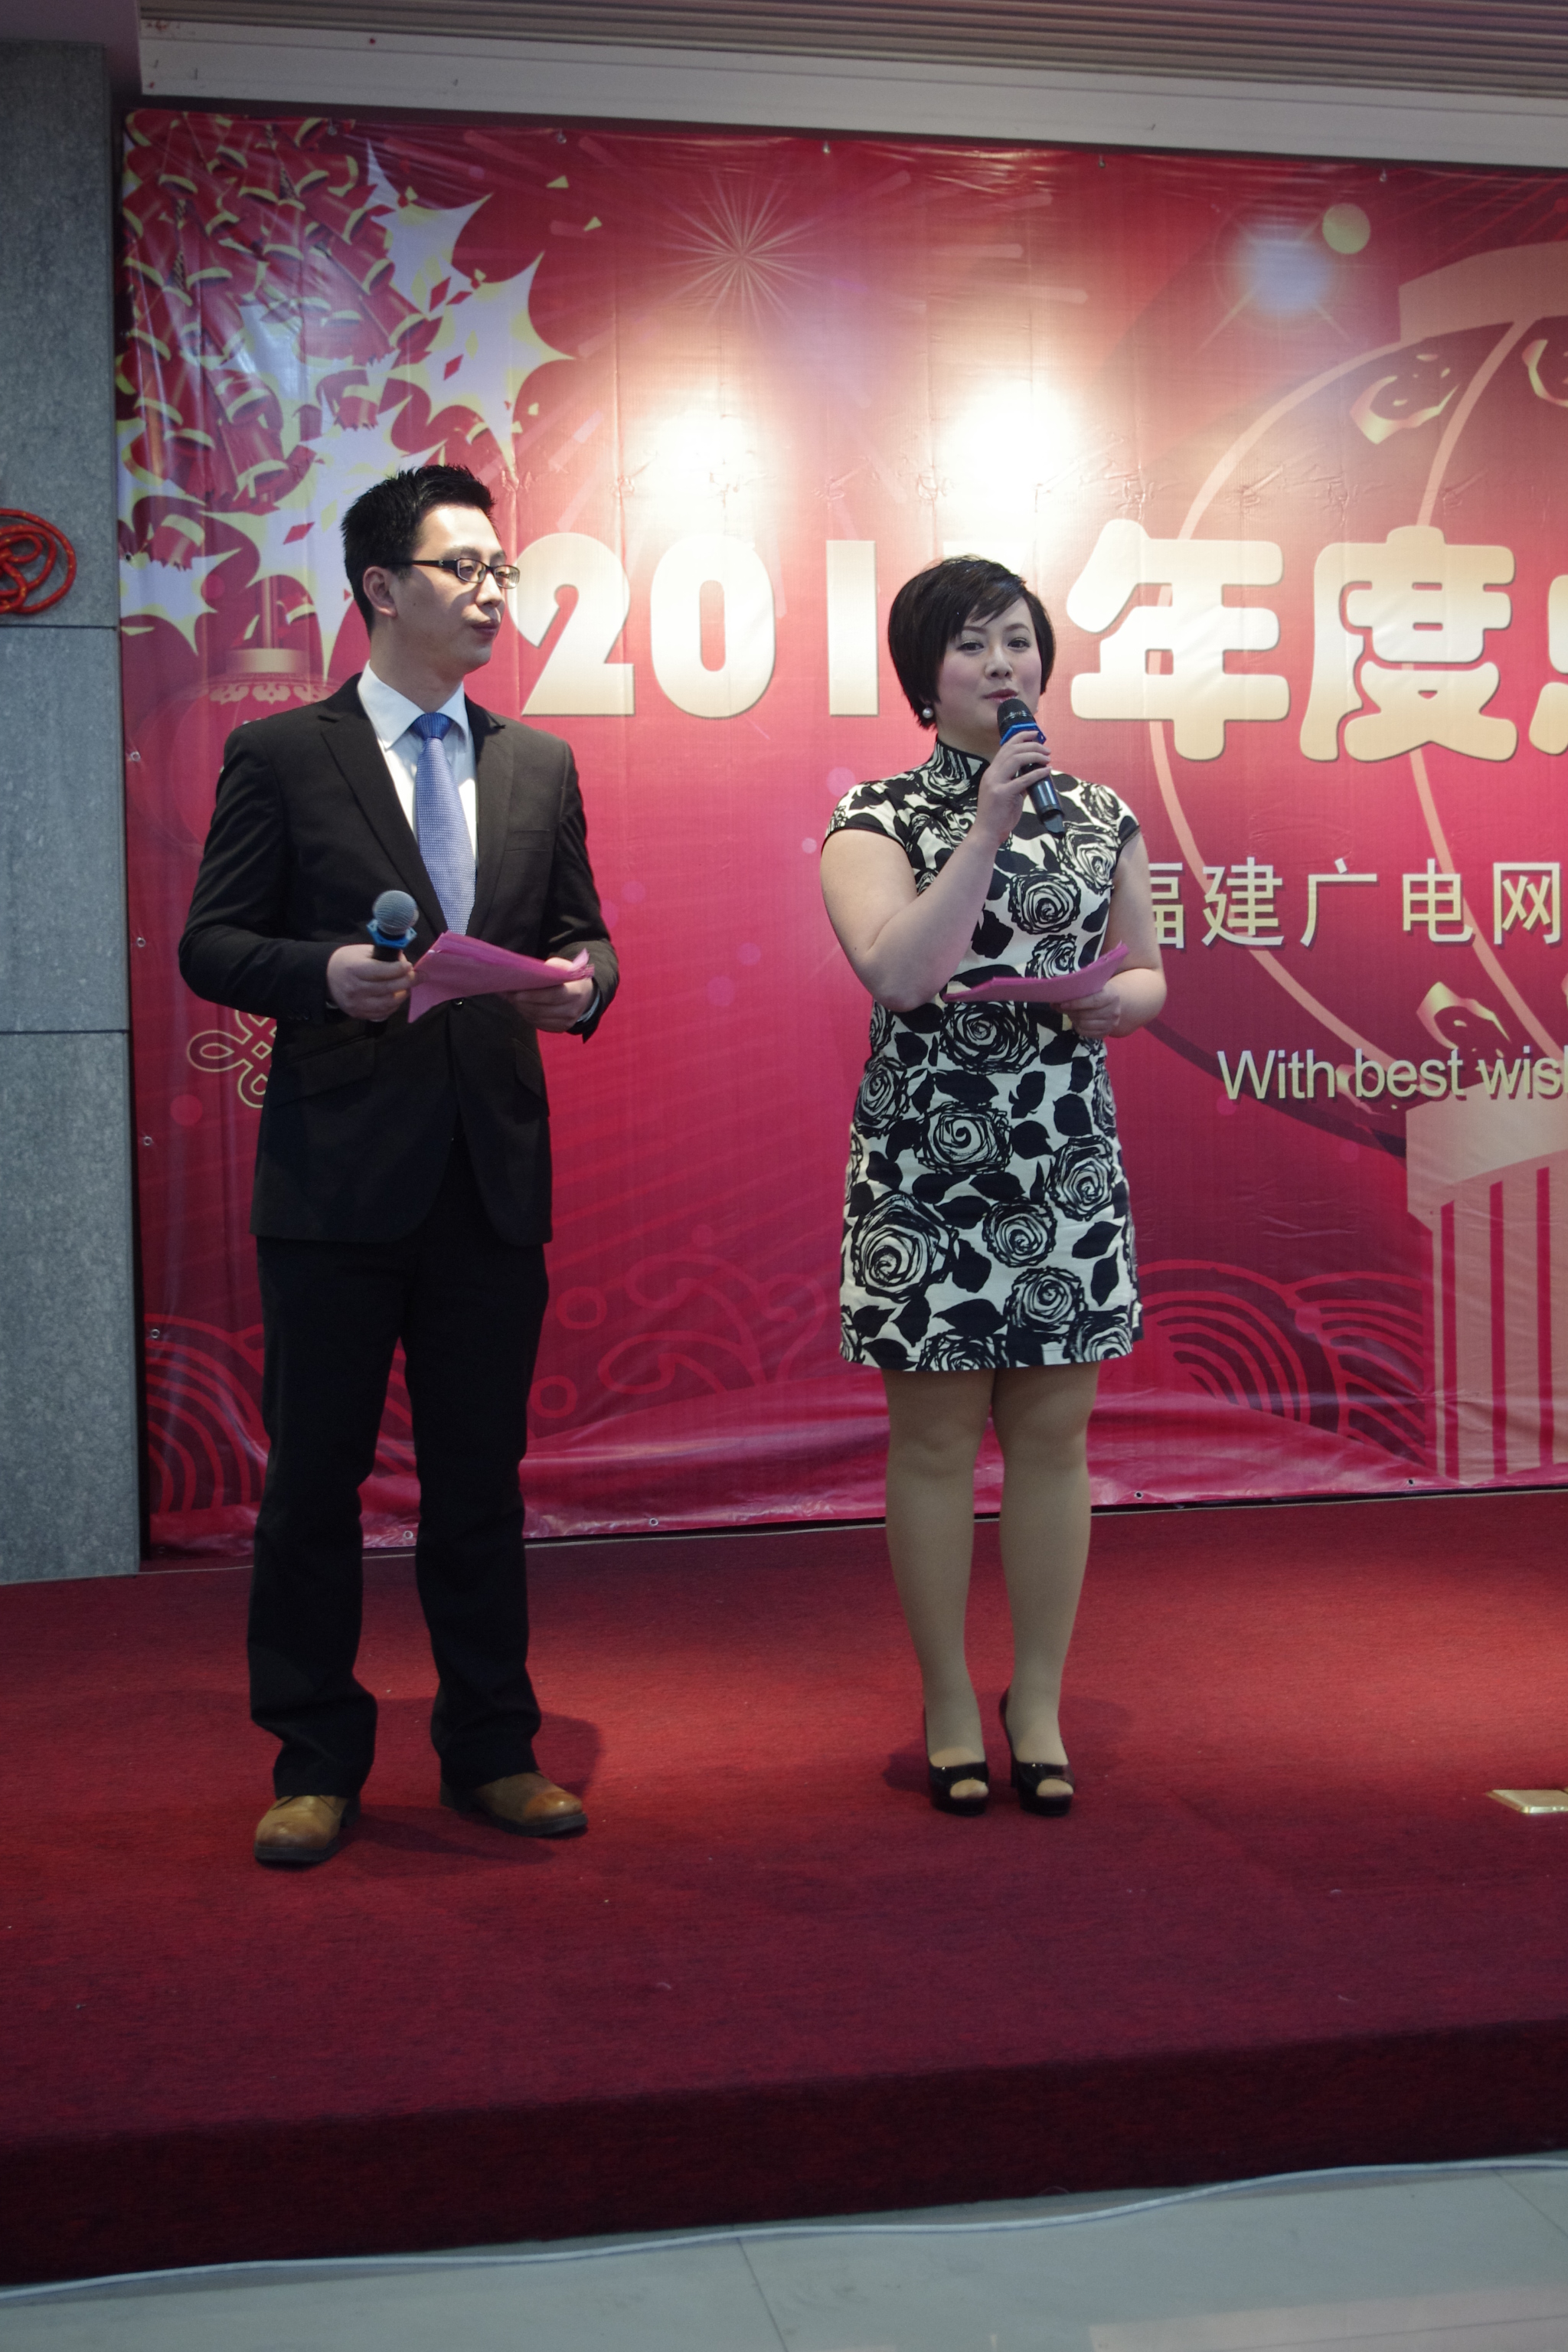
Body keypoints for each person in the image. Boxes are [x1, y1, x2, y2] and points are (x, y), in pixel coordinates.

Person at [181, 462, 618, 1867]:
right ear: (382, 587)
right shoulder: (281, 753)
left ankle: (493, 1749)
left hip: (489, 1173)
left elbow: (586, 933)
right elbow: (211, 943)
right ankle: (314, 1758)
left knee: (479, 1482)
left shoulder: (538, 763)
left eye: (501, 569)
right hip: (335, 1181)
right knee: (313, 1485)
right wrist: (325, 975)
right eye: (463, 568)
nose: (493, 592)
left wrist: (582, 987)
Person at [819, 556, 1165, 1817]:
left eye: (1017, 639)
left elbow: (1149, 970)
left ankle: (1038, 1699)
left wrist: (1119, 1003)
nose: (1002, 663)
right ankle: (949, 1700)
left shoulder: (1104, 815)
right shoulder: (875, 817)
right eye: (970, 645)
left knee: (1055, 1440)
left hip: (1061, 1154)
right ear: (925, 676)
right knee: (933, 1442)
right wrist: (984, 830)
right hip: (929, 1165)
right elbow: (901, 974)